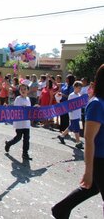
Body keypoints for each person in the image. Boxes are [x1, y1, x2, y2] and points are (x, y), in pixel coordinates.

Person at [52, 64, 104, 218]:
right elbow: (88, 139)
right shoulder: (96, 104)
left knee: (92, 188)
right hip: (100, 159)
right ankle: (61, 210)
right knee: (91, 186)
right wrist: (88, 171)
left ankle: (61, 209)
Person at [5, 84, 32, 160]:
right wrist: (22, 108)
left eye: (24, 89)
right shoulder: (18, 98)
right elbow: (16, 108)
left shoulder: (28, 99)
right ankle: (9, 143)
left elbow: (29, 110)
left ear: (27, 90)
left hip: (26, 122)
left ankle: (25, 153)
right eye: (21, 89)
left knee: (27, 138)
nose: (23, 90)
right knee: (18, 137)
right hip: (19, 122)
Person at [57, 81, 84, 149]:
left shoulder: (79, 95)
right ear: (75, 87)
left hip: (77, 114)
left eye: (80, 88)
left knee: (71, 127)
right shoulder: (71, 95)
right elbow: (68, 105)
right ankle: (78, 142)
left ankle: (62, 136)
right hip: (73, 114)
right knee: (76, 128)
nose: (80, 89)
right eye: (79, 88)